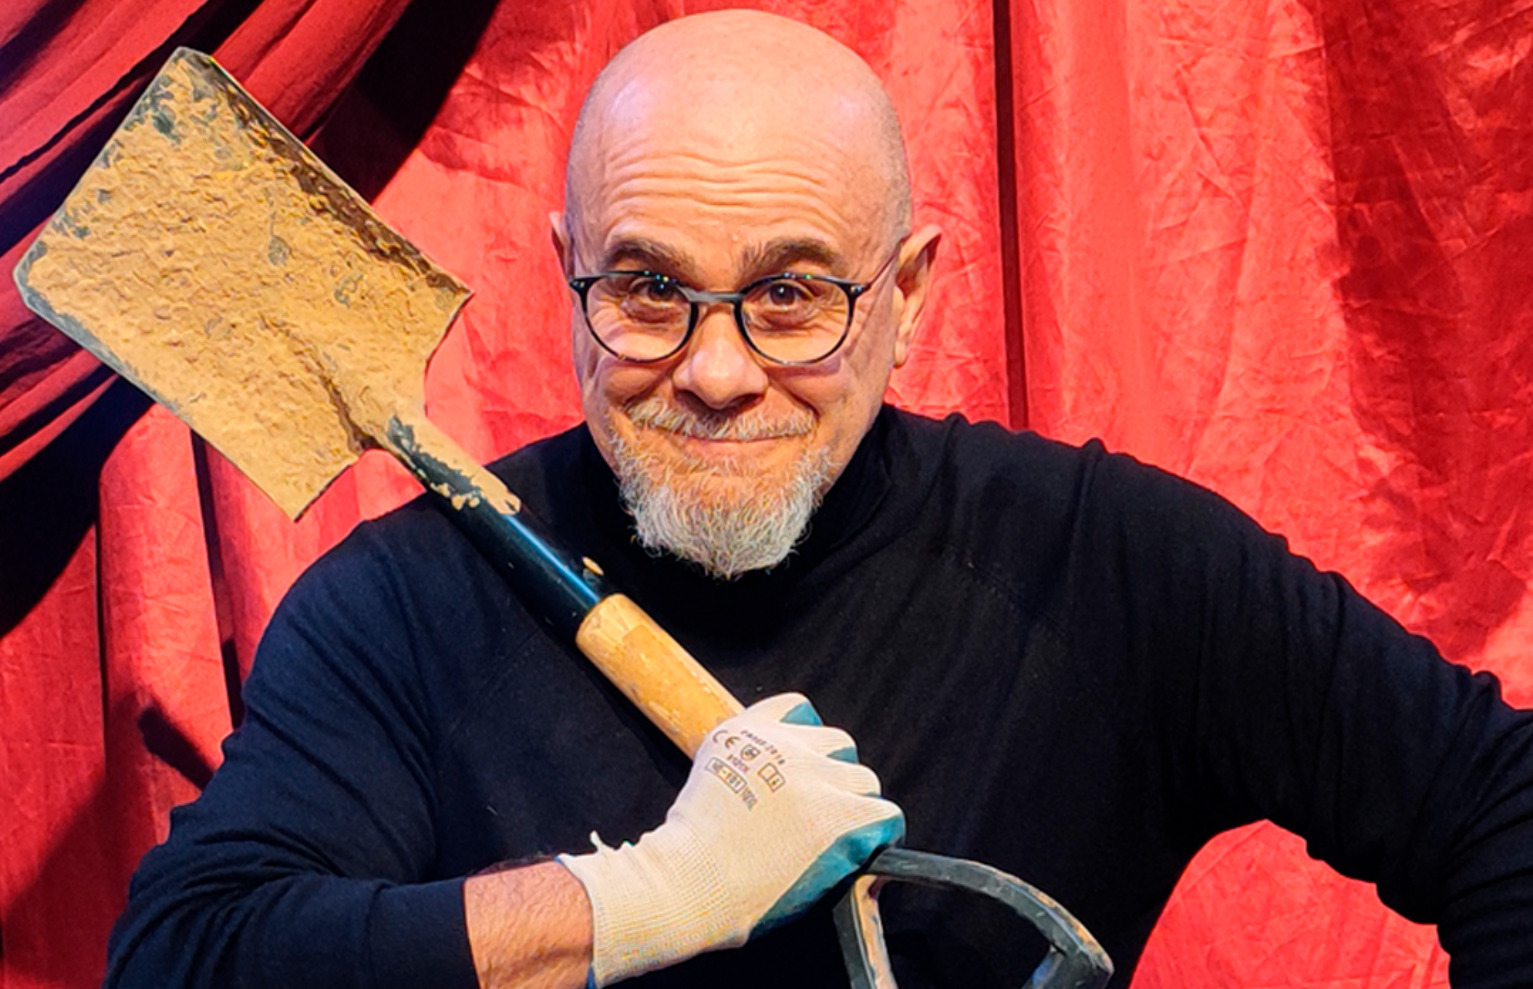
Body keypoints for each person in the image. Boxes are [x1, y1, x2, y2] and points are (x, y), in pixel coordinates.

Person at [105, 10, 1533, 989]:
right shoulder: (399, 606)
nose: (716, 373)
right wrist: (640, 899)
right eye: (647, 289)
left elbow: (1501, 804)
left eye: (791, 295)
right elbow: (185, 957)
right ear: (565, 273)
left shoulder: (1103, 559)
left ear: (905, 296)